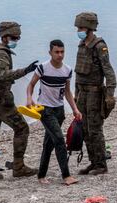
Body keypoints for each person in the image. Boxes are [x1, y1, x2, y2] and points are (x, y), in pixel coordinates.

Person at [0, 21, 39, 182]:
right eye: (14, 38)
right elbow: (4, 75)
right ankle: (18, 167)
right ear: (5, 37)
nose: (16, 41)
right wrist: (25, 70)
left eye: (18, 38)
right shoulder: (1, 54)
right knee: (22, 128)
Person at [26, 39, 81, 185]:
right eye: (56, 52)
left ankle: (41, 175)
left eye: (62, 52)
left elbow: (68, 92)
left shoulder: (67, 70)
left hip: (59, 110)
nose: (60, 55)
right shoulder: (43, 68)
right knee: (59, 140)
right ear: (50, 52)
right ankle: (66, 176)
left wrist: (75, 109)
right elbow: (31, 85)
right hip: (45, 110)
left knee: (49, 143)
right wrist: (29, 98)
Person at [74, 12, 117, 175]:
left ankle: (101, 164)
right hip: (82, 94)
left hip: (94, 94)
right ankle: (93, 162)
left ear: (90, 27)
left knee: (95, 130)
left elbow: (108, 71)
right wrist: (76, 93)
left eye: (81, 27)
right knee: (84, 129)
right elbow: (78, 72)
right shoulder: (81, 44)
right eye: (78, 27)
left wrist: (110, 94)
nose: (79, 30)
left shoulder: (99, 46)